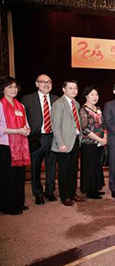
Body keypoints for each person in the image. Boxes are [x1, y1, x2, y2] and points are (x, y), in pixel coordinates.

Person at [21, 74, 58, 205]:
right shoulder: (27, 99)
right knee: (35, 167)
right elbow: (21, 118)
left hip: (53, 137)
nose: (46, 84)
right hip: (36, 138)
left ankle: (50, 191)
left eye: (49, 82)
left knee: (51, 167)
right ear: (37, 84)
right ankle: (38, 193)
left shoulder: (56, 100)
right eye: (43, 82)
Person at [0, 77, 31, 215]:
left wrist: (27, 129)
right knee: (7, 177)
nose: (14, 89)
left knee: (19, 175)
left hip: (20, 146)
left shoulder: (21, 105)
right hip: (5, 145)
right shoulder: (0, 104)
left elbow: (26, 123)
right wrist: (17, 131)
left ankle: (18, 202)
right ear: (3, 89)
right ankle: (8, 206)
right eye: (10, 87)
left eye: (15, 87)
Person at [51, 80, 84, 206]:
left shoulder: (76, 103)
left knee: (73, 170)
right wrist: (61, 144)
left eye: (75, 88)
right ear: (64, 89)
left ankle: (72, 193)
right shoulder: (59, 104)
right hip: (64, 143)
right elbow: (56, 126)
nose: (73, 90)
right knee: (64, 171)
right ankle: (64, 197)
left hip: (75, 141)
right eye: (70, 88)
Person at [79, 86, 107, 199]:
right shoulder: (83, 109)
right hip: (89, 143)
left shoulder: (98, 108)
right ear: (86, 96)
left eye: (96, 95)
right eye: (92, 95)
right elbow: (85, 128)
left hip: (100, 143)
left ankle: (96, 188)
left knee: (97, 166)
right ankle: (90, 191)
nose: (95, 97)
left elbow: (104, 124)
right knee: (89, 167)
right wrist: (99, 139)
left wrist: (105, 137)